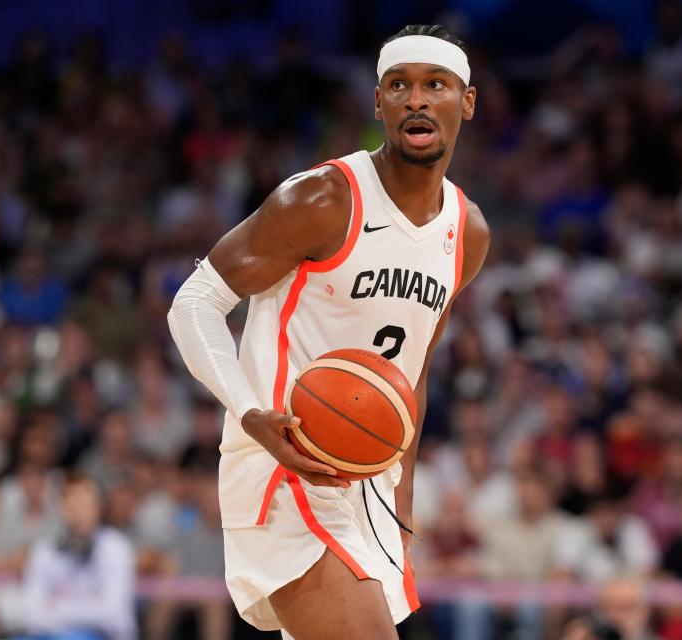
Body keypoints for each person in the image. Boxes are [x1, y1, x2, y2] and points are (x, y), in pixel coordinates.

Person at [168, 23, 488, 640]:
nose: (416, 99)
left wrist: (402, 506)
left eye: (435, 85)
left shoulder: (467, 233)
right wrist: (252, 414)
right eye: (399, 86)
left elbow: (410, 378)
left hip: (369, 485)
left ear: (467, 102)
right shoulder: (323, 199)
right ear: (379, 103)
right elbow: (194, 303)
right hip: (285, 465)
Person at [22, 473, 136, 639]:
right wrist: (93, 604)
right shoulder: (46, 550)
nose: (79, 513)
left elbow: (112, 612)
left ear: (99, 508)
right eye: (72, 505)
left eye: (85, 504)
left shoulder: (116, 548)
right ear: (62, 508)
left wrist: (56, 605)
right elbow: (32, 614)